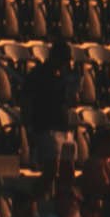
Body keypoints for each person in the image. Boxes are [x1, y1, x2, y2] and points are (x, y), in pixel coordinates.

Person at [11, 18, 81, 175]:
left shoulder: (63, 78)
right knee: (51, 171)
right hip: (45, 128)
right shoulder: (38, 75)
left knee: (67, 171)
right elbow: (26, 100)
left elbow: (71, 101)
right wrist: (29, 126)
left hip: (63, 127)